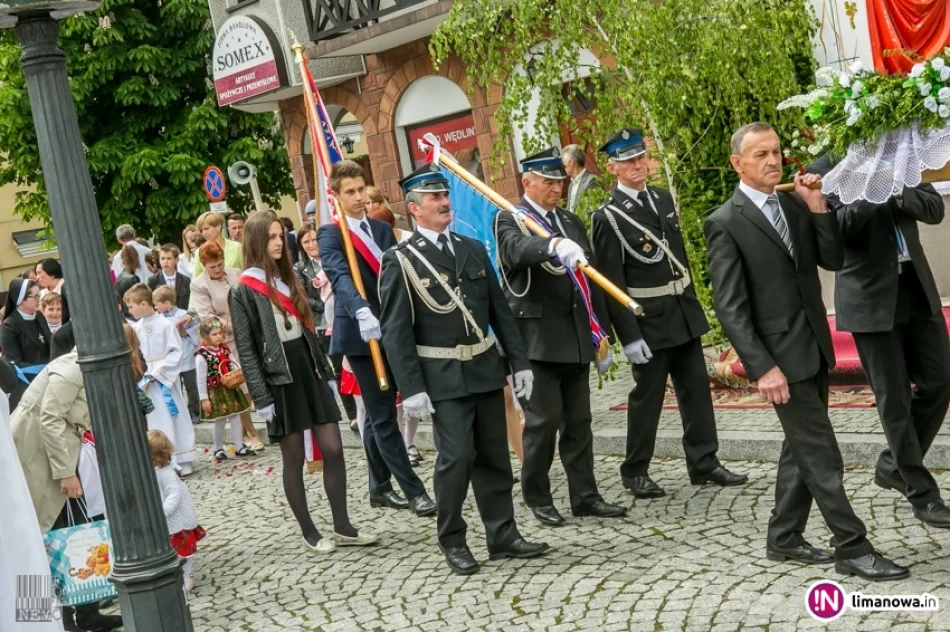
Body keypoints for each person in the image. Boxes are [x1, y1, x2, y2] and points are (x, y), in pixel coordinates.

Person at [705, 121, 908, 581]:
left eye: (776, 152)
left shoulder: (793, 205)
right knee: (822, 454)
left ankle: (784, 536)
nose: (773, 161)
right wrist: (762, 367)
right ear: (738, 162)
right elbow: (730, 308)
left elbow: (832, 260)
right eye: (761, 155)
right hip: (779, 360)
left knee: (800, 450)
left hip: (813, 345)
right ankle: (852, 548)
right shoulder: (724, 222)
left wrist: (817, 208)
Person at [380, 163, 549, 575]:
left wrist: (519, 362)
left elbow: (499, 311)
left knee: (494, 457)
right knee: (455, 459)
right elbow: (397, 332)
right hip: (442, 377)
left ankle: (502, 534)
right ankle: (452, 538)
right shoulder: (400, 261)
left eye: (444, 196)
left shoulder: (471, 248)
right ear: (414, 208)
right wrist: (412, 388)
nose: (443, 203)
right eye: (434, 198)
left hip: (484, 367)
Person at [591, 127, 747, 498]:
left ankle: (704, 462)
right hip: (648, 320)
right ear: (612, 168)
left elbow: (681, 262)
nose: (638, 166)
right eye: (628, 161)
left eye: (641, 157)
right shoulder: (609, 217)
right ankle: (634, 469)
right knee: (647, 399)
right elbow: (610, 283)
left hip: (681, 312)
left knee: (696, 392)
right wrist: (627, 336)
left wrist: (695, 310)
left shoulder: (661, 199)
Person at [808, 154, 950, 528]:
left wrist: (897, 183)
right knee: (895, 400)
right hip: (869, 299)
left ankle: (893, 465)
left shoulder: (900, 156)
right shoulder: (825, 168)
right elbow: (835, 233)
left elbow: (935, 209)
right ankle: (922, 492)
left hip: (916, 289)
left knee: (941, 381)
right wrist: (870, 186)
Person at [495, 147, 626, 526]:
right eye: (548, 182)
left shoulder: (569, 220)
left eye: (560, 181)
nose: (556, 187)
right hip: (537, 341)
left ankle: (585, 495)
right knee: (542, 423)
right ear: (527, 182)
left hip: (574, 336)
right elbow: (514, 253)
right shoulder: (511, 219)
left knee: (579, 422)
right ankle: (537, 496)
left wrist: (601, 333)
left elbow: (589, 279)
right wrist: (549, 245)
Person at [231, 210, 376, 551]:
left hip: (308, 368)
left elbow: (308, 331)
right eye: (270, 237)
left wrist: (325, 371)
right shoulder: (244, 289)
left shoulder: (288, 280)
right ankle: (310, 531)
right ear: (256, 241)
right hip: (279, 379)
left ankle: (343, 525)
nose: (279, 243)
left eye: (281, 236)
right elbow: (247, 348)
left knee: (333, 448)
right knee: (294, 459)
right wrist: (262, 398)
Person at [316, 160, 436, 518]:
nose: (358, 198)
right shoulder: (331, 233)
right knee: (383, 415)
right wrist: (359, 310)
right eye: (349, 192)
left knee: (377, 416)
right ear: (335, 195)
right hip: (361, 336)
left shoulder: (382, 231)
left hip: (393, 331)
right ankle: (414, 490)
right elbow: (340, 276)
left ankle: (379, 486)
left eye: (361, 189)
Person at [10, 351, 124, 631]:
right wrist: (66, 473)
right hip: (36, 456)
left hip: (54, 453)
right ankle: (42, 621)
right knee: (36, 537)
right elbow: (50, 419)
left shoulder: (83, 365)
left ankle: (86, 612)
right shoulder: (70, 369)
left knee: (78, 532)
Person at [0, 381, 63, 632]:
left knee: (24, 552)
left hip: (10, 494)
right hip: (12, 498)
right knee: (24, 550)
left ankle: (39, 621)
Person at [191, 241, 265, 452]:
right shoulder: (199, 285)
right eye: (212, 266)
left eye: (219, 264)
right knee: (238, 384)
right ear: (204, 265)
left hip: (248, 335)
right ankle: (251, 432)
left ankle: (242, 433)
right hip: (225, 341)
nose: (217, 269)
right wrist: (230, 327)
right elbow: (207, 316)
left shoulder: (235, 273)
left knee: (251, 379)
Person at [124, 283, 196, 476]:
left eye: (131, 307)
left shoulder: (165, 325)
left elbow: (175, 351)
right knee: (154, 419)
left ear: (144, 304)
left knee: (173, 416)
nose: (129, 311)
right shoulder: (135, 328)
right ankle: (160, 458)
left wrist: (160, 373)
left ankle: (181, 457)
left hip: (164, 379)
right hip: (145, 379)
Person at [148, 430, 205, 592]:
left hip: (176, 518)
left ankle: (187, 576)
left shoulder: (165, 472)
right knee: (171, 547)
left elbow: (174, 493)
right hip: (166, 518)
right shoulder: (154, 470)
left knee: (183, 549)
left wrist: (164, 511)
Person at [195, 317, 251, 459]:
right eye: (214, 334)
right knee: (220, 420)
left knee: (235, 418)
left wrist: (236, 371)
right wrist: (204, 398)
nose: (219, 336)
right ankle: (218, 448)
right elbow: (200, 379)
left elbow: (232, 363)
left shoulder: (225, 349)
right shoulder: (202, 356)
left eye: (220, 333)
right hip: (215, 391)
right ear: (205, 336)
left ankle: (239, 446)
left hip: (229, 387)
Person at [154, 286, 200, 424]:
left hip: (186, 356)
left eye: (156, 304)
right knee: (174, 386)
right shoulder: (158, 319)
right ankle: (178, 412)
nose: (155, 307)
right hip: (170, 359)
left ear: (167, 303)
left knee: (191, 386)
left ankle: (194, 410)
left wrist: (183, 333)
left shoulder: (183, 314)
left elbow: (195, 332)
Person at [0, 279, 51, 382]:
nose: (39, 300)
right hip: (27, 381)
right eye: (35, 296)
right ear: (21, 299)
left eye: (39, 295)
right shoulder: (9, 326)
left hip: (50, 375)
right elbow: (14, 361)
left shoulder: (39, 316)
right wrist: (44, 369)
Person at [191, 211, 243, 280]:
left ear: (218, 227)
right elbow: (196, 279)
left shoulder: (237, 247)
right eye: (201, 230)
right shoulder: (199, 252)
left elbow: (245, 272)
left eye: (206, 229)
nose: (203, 233)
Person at [148, 244, 191, 310]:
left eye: (169, 258)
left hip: (181, 317)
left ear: (176, 260)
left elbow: (189, 302)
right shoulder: (153, 280)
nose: (165, 262)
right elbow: (151, 304)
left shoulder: (186, 280)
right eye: (162, 258)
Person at [562, 144, 600, 217]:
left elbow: (592, 211)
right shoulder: (571, 185)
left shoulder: (592, 180)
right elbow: (569, 210)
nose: (563, 169)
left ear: (571, 162)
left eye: (564, 166)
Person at [35, 258, 70, 323]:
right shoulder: (40, 294)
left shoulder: (69, 289)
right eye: (36, 274)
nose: (37, 277)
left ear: (52, 273)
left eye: (39, 273)